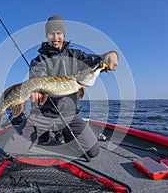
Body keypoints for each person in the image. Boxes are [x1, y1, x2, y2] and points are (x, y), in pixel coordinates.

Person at [10, 15, 118, 159]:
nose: (56, 37)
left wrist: (111, 55)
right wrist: (36, 91)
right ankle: (44, 131)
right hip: (42, 115)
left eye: (59, 33)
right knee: (13, 152)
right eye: (51, 33)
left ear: (64, 35)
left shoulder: (76, 55)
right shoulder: (39, 60)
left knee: (92, 152)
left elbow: (97, 61)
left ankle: (64, 133)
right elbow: (36, 78)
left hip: (69, 116)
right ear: (46, 35)